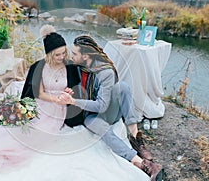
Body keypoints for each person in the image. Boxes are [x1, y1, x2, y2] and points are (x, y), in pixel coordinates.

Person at [0, 26, 150, 181]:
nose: (63, 57)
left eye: (65, 53)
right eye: (59, 54)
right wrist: (57, 98)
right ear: (50, 54)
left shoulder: (71, 66)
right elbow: (37, 93)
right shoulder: (39, 67)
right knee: (12, 130)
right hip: (45, 105)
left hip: (61, 109)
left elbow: (77, 85)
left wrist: (69, 93)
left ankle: (134, 142)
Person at [59, 35, 164, 181]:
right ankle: (143, 164)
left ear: (85, 56)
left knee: (123, 87)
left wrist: (74, 101)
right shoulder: (77, 66)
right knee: (98, 125)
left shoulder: (104, 71)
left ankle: (137, 141)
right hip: (89, 115)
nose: (72, 56)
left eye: (75, 53)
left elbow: (102, 105)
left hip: (104, 109)